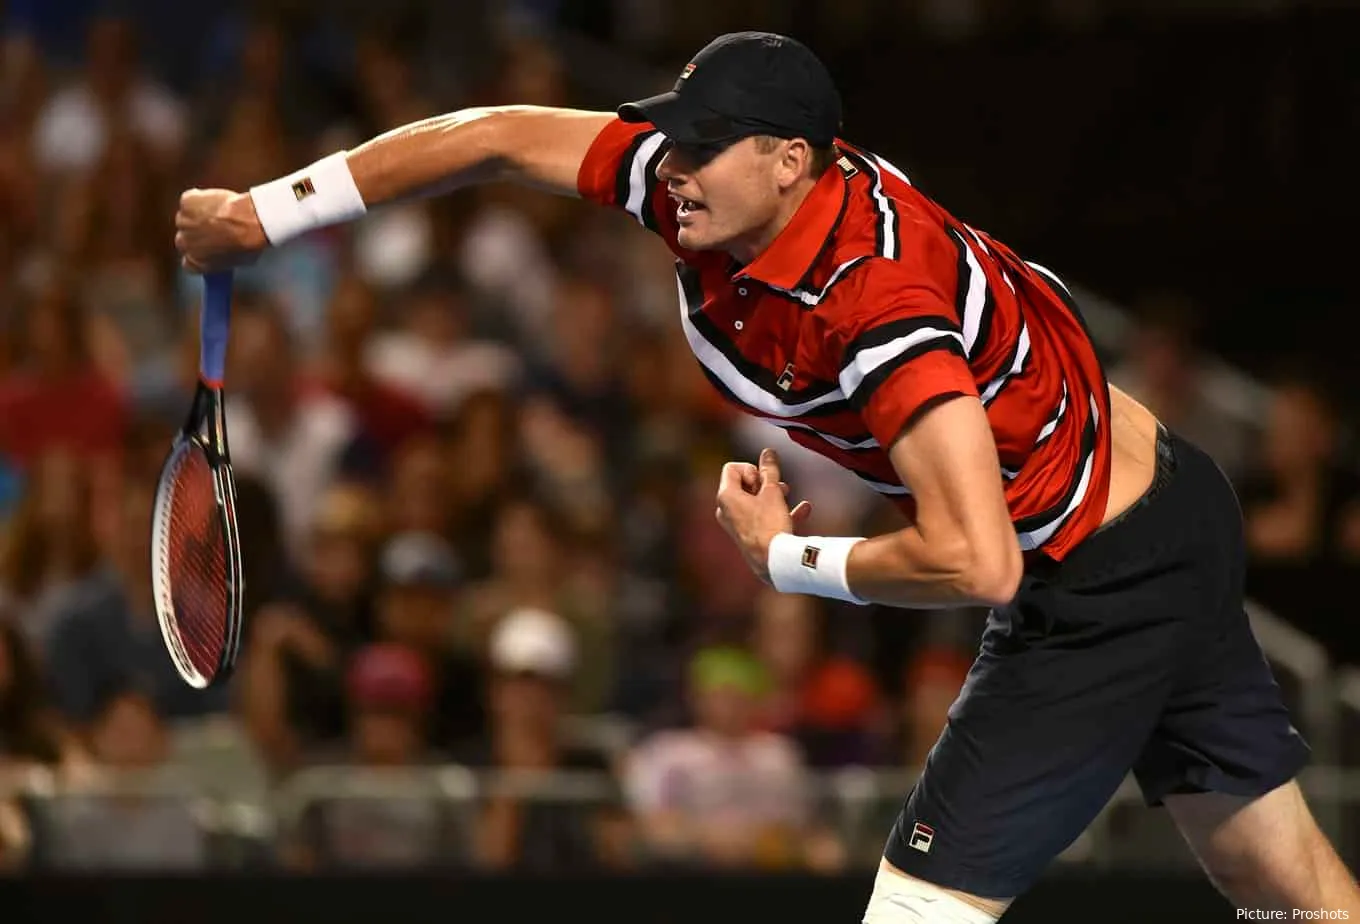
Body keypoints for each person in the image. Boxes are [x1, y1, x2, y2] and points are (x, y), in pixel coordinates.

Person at [172, 30, 1359, 923]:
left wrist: (784, 560)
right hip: (1165, 500)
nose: (666, 165)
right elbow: (488, 136)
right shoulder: (697, 192)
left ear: (790, 162)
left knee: (916, 908)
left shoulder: (873, 309)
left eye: (699, 147)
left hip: (1092, 571)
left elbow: (977, 557)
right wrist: (264, 216)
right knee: (1273, 878)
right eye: (670, 138)